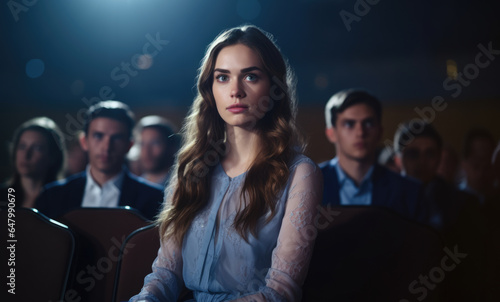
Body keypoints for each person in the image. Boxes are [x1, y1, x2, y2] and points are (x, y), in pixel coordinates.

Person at [129, 25, 322, 302]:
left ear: (274, 87)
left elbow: (281, 291)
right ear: (210, 89)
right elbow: (166, 272)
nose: (235, 91)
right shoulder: (190, 168)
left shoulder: (299, 173)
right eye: (222, 77)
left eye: (251, 77)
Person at [394, 121, 486, 301]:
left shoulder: (465, 205)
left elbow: (475, 270)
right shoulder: (384, 202)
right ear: (398, 159)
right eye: (413, 153)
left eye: (430, 153)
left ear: (439, 157)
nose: (422, 161)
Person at [35, 101, 164, 221]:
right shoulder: (53, 196)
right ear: (84, 142)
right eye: (98, 136)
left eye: (116, 138)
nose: (106, 147)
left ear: (129, 145)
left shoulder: (154, 199)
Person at [320, 89, 426, 223]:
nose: (360, 132)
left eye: (368, 123)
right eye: (349, 124)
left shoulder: (409, 192)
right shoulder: (308, 185)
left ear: (380, 131)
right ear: (331, 133)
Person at [0, 117, 66, 208]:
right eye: (22, 146)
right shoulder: (2, 197)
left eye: (37, 148)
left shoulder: (64, 200)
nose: (26, 155)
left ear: (53, 156)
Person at [134, 115, 179, 187]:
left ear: (171, 147)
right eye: (142, 144)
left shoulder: (181, 186)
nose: (146, 151)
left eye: (155, 143)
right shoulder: (133, 186)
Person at [459, 128, 496, 203]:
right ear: (464, 164)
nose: (481, 173)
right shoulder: (453, 202)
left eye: (487, 167)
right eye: (476, 166)